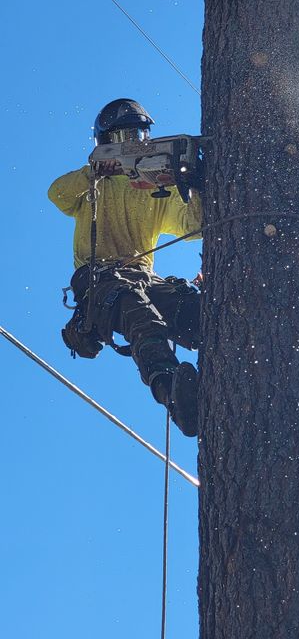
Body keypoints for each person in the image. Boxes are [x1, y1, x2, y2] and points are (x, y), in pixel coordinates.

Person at [48, 98, 202, 437]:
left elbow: (195, 223)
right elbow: (56, 194)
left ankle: (222, 382)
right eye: (122, 137)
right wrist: (94, 171)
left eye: (137, 134)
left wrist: (193, 184)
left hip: (146, 277)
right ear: (105, 143)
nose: (131, 143)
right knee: (138, 313)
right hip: (99, 278)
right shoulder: (92, 186)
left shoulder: (155, 189)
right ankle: (171, 391)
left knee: (197, 312)